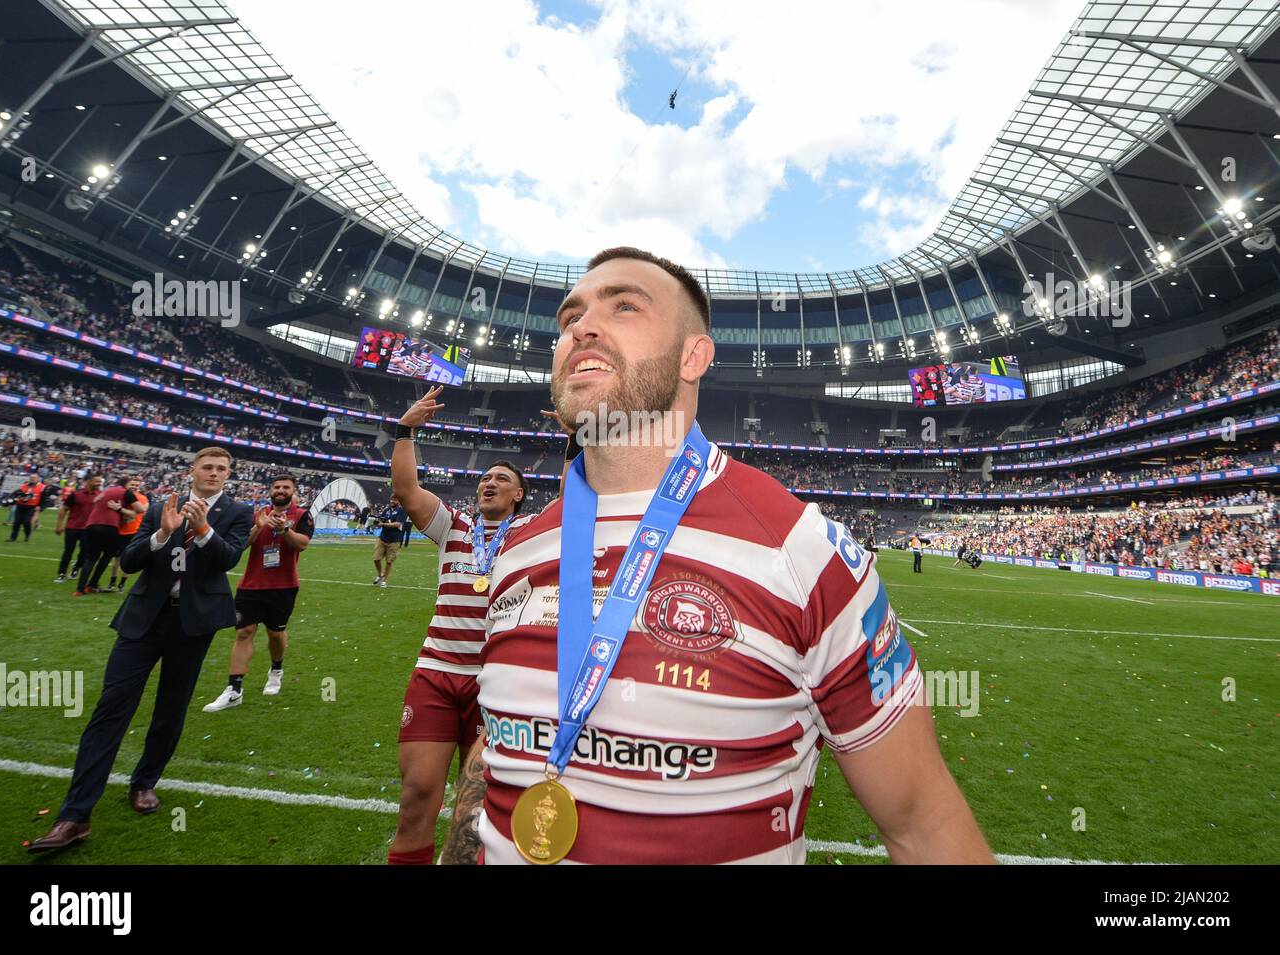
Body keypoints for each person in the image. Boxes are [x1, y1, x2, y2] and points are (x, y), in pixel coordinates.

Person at [441, 247, 991, 865]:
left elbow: (925, 825)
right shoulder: (518, 550)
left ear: (694, 355)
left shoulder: (801, 554)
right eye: (571, 316)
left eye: (624, 305)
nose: (582, 326)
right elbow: (495, 765)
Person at [28, 447, 253, 853]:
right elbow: (129, 561)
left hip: (193, 625)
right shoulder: (161, 506)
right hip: (144, 619)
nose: (214, 473)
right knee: (111, 708)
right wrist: (163, 534)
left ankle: (144, 781)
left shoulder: (238, 511)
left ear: (228, 475)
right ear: (193, 471)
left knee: (171, 708)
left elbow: (228, 558)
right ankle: (75, 815)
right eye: (208, 467)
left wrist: (202, 530)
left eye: (222, 469)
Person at [388, 385, 536, 865]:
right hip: (436, 671)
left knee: (475, 818)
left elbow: (583, 506)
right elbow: (406, 490)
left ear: (519, 495)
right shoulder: (453, 525)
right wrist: (405, 430)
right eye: (484, 478)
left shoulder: (532, 532)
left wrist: (577, 442)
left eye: (500, 479)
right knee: (415, 800)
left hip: (494, 681)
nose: (487, 483)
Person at [203, 475, 314, 712]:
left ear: (293, 492)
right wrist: (258, 527)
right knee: (244, 632)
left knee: (275, 634)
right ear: (271, 490)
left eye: (286, 487)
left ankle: (276, 670)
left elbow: (302, 544)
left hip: (283, 586)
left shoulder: (301, 515)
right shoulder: (257, 513)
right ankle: (234, 689)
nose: (281, 490)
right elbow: (240, 545)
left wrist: (284, 530)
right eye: (277, 487)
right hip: (251, 584)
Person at [75, 477, 145, 596]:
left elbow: (95, 500)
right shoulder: (125, 492)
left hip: (92, 525)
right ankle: (92, 584)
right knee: (106, 557)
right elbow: (140, 509)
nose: (132, 487)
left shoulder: (106, 491)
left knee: (91, 558)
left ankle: (80, 589)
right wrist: (121, 509)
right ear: (126, 484)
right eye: (131, 484)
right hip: (110, 526)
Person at [54, 473, 101, 582]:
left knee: (85, 551)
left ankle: (77, 567)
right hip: (72, 527)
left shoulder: (100, 495)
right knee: (68, 551)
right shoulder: (75, 494)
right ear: (89, 481)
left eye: (100, 482)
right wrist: (59, 526)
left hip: (89, 529)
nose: (99, 484)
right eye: (97, 481)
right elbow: (64, 509)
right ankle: (62, 573)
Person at [108, 477, 149, 593]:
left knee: (128, 558)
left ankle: (122, 584)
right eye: (132, 484)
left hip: (133, 531)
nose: (134, 486)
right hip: (119, 530)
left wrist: (122, 510)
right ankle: (112, 582)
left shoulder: (141, 498)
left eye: (136, 485)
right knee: (116, 558)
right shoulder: (122, 495)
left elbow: (141, 511)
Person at [371, 497, 405, 588]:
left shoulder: (401, 511)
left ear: (398, 501)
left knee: (389, 562)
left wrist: (384, 524)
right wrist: (377, 524)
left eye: (394, 500)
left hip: (394, 540)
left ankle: (384, 581)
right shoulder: (386, 510)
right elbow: (381, 520)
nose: (392, 501)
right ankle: (380, 574)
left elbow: (398, 524)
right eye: (391, 499)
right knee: (376, 558)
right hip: (382, 538)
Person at [6, 470, 45, 542]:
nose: (32, 479)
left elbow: (44, 498)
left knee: (27, 521)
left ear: (37, 479)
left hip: (31, 507)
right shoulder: (24, 485)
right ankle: (13, 538)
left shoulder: (42, 487)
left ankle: (27, 535)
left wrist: (40, 507)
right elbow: (16, 494)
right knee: (16, 522)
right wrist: (11, 503)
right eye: (31, 478)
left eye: (34, 478)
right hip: (20, 506)